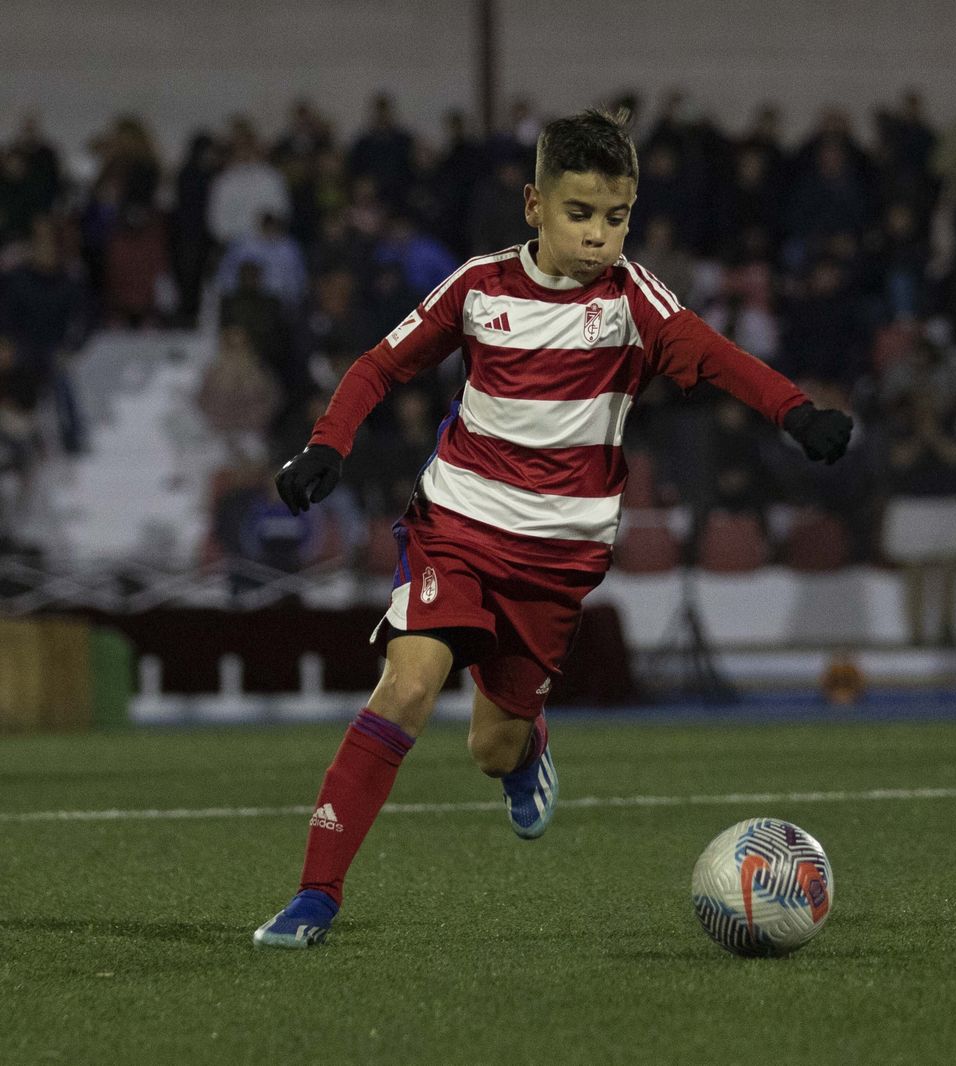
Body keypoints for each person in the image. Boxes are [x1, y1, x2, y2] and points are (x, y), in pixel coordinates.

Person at [253, 110, 852, 948]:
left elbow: (713, 354)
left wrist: (795, 411)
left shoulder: (631, 302)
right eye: (580, 214)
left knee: (490, 749)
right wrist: (328, 443)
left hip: (558, 560)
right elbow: (380, 364)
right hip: (457, 525)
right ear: (535, 204)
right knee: (408, 685)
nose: (600, 236)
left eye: (616, 217)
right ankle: (315, 895)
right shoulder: (478, 287)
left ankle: (525, 746)